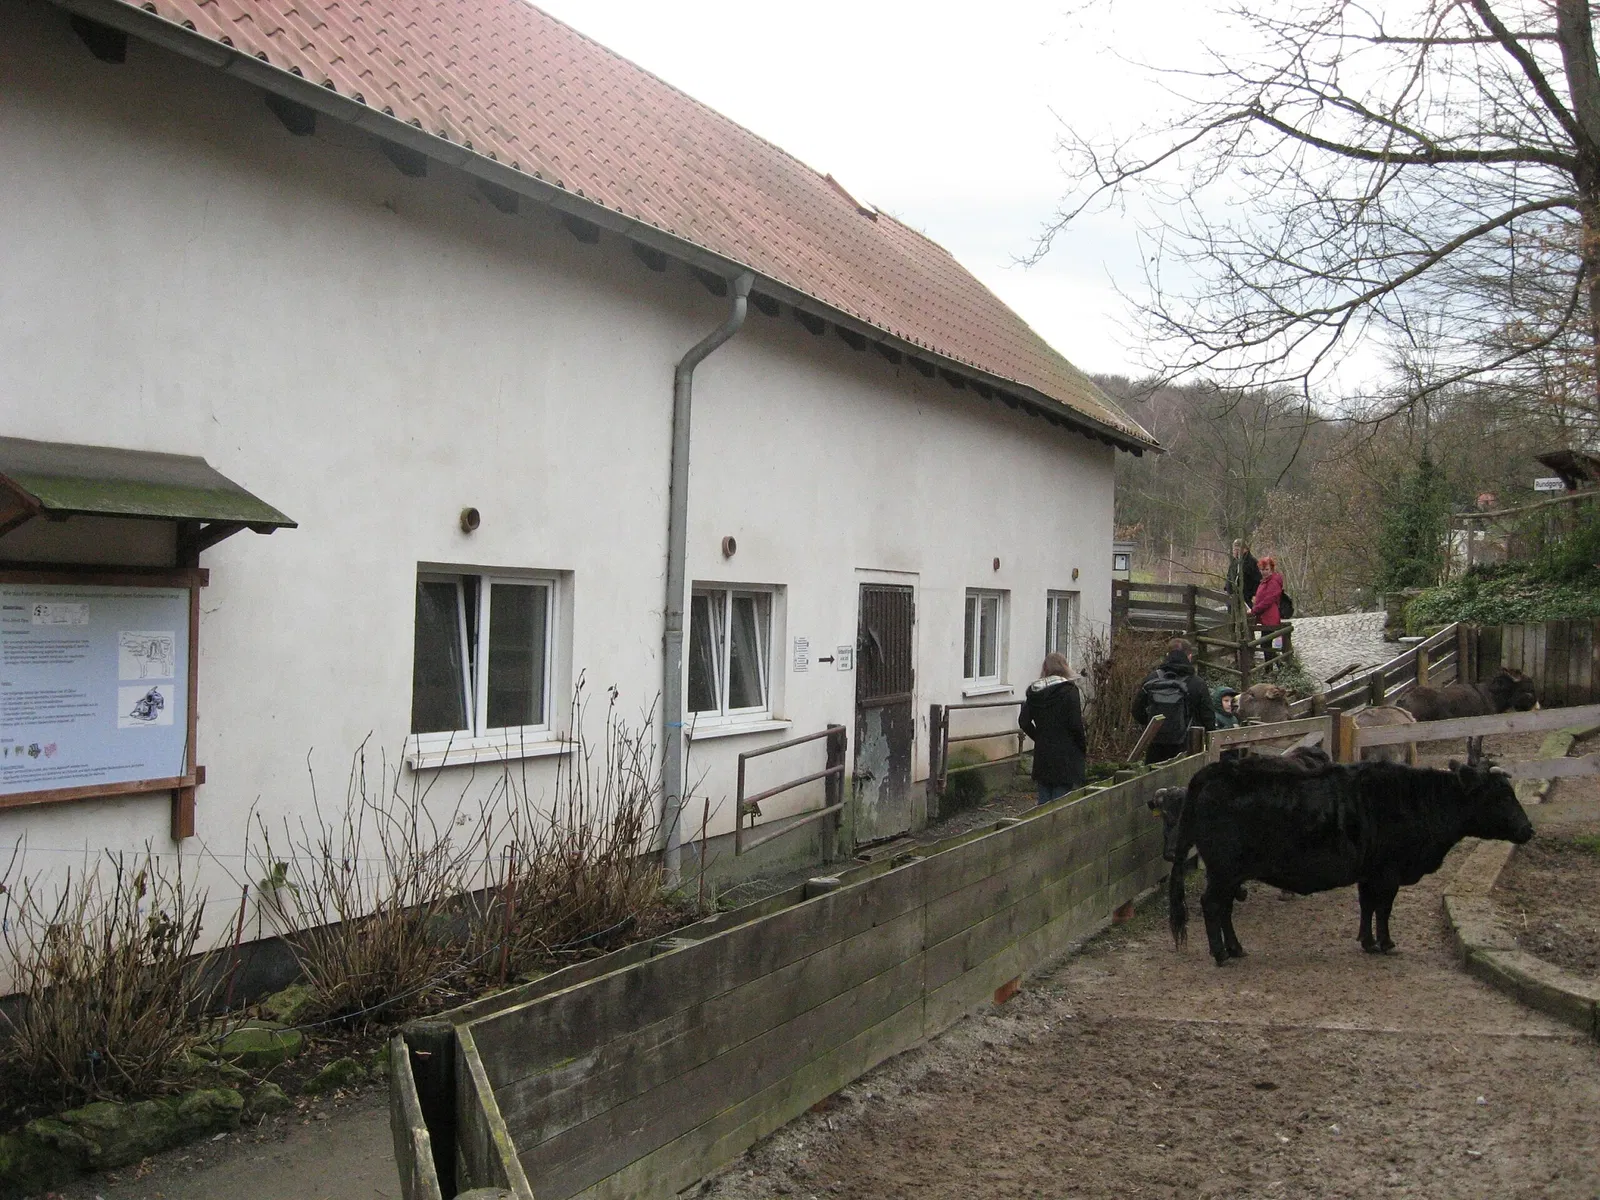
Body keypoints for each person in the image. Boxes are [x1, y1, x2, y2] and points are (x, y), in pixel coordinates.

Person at [1132, 638, 1217, 764]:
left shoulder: (1152, 679)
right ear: (1189, 656)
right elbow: (1208, 717)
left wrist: (1153, 723)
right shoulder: (1197, 683)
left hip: (1155, 743)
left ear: (1167, 655)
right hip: (1186, 745)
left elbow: (1136, 711)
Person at [1018, 652, 1087, 805]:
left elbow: (1024, 721)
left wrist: (1039, 737)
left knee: (1043, 801)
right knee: (1061, 802)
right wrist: (1082, 747)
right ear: (1065, 667)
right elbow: (1076, 725)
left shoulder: (1034, 691)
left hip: (1043, 753)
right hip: (1066, 753)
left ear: (1045, 668)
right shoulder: (1070, 691)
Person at [1251, 555, 1286, 662]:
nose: (1264, 572)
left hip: (1270, 617)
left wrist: (1254, 610)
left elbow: (1268, 600)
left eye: (1267, 569)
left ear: (1271, 569)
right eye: (1262, 569)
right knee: (1266, 643)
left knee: (1266, 643)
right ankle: (1275, 666)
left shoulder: (1273, 582)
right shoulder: (1266, 581)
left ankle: (1271, 668)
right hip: (1265, 616)